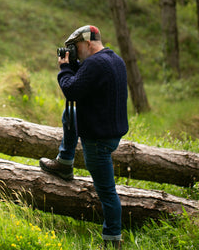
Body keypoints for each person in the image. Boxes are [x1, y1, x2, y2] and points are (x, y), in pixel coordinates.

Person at [39, 25, 128, 249]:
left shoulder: (94, 64)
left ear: (88, 43)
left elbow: (71, 89)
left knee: (107, 192)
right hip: (110, 129)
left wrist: (64, 68)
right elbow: (88, 79)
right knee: (71, 113)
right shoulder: (114, 59)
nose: (76, 52)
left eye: (77, 47)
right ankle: (65, 162)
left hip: (98, 139)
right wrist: (74, 65)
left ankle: (112, 241)